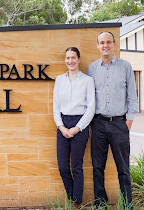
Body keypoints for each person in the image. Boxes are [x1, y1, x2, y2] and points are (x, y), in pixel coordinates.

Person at [86, 31, 138, 207]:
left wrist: (129, 120)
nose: (105, 45)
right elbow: (89, 98)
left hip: (119, 124)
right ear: (98, 45)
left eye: (108, 42)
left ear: (114, 44)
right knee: (97, 167)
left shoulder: (125, 67)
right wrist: (90, 124)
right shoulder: (91, 69)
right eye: (102, 42)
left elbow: (132, 96)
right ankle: (100, 203)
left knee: (123, 169)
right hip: (98, 123)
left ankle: (127, 204)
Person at [53, 47, 96, 208]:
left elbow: (91, 108)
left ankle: (76, 202)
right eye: (67, 58)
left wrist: (77, 128)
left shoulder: (87, 81)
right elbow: (55, 106)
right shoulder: (59, 80)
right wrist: (61, 127)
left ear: (79, 59)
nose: (70, 61)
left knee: (76, 166)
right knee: (63, 166)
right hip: (63, 124)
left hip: (81, 124)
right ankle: (72, 196)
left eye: (73, 58)